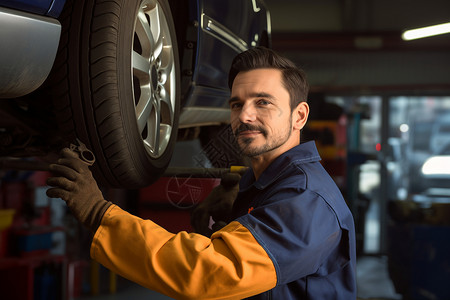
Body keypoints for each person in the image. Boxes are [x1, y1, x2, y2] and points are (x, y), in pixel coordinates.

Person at [46, 47, 356, 299]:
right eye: (237, 104)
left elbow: (209, 271)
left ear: (299, 115)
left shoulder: (306, 201)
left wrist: (99, 213)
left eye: (263, 102)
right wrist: (240, 201)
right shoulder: (271, 186)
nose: (245, 115)